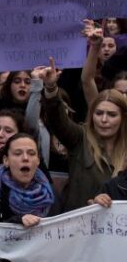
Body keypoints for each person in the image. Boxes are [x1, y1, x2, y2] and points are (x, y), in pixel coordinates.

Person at [42, 58, 127, 211]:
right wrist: (50, 88)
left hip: (117, 231)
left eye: (112, 115)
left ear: (123, 118)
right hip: (78, 226)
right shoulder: (80, 137)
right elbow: (57, 120)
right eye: (99, 113)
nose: (104, 119)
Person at [0, 133, 56, 227]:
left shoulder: (50, 197)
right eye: (18, 153)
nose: (25, 158)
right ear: (6, 160)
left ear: (38, 161)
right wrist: (18, 222)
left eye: (31, 153)